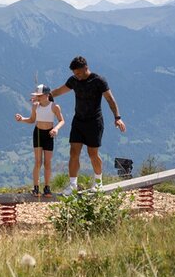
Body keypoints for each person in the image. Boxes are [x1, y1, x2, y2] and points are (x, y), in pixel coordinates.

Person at [50, 56, 126, 193]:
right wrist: (44, 96)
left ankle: (98, 182)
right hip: (78, 121)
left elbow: (110, 99)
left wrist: (117, 117)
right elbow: (59, 91)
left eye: (78, 73)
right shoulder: (73, 80)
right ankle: (73, 185)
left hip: (94, 122)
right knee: (73, 152)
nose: (77, 76)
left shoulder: (98, 81)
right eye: (74, 74)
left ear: (86, 68)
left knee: (92, 154)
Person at [15, 84, 65, 197]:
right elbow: (32, 120)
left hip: (49, 134)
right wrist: (22, 119)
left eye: (40, 95)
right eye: (37, 95)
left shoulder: (54, 106)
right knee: (38, 162)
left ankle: (47, 188)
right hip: (37, 133)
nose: (38, 97)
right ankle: (36, 188)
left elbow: (61, 120)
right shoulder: (35, 106)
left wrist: (56, 129)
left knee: (48, 163)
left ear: (47, 95)